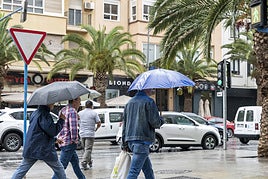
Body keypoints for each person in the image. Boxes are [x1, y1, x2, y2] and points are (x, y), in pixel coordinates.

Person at [11, 104, 66, 179]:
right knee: (59, 169)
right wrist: (61, 120)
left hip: (32, 147)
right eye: (52, 103)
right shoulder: (45, 114)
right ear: (48, 103)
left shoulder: (36, 113)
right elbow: (52, 131)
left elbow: (39, 132)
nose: (54, 104)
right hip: (43, 149)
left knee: (21, 170)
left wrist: (55, 139)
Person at [122, 89, 164, 179]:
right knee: (134, 171)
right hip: (142, 141)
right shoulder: (149, 102)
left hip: (130, 140)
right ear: (146, 89)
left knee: (148, 170)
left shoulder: (129, 103)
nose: (152, 89)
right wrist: (161, 120)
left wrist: (124, 143)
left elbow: (124, 124)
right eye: (151, 88)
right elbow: (155, 123)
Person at [52, 97, 86, 179]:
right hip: (69, 142)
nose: (80, 104)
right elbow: (73, 128)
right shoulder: (72, 111)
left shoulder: (63, 110)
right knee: (61, 167)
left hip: (63, 140)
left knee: (75, 164)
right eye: (79, 101)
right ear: (74, 101)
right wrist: (75, 140)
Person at [78, 100, 101, 170]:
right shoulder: (94, 113)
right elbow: (99, 123)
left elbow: (78, 122)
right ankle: (84, 162)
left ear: (85, 105)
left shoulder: (80, 113)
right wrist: (96, 129)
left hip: (82, 133)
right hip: (90, 133)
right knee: (88, 149)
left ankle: (90, 162)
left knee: (86, 149)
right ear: (91, 106)